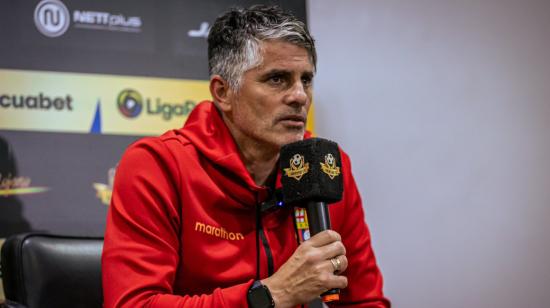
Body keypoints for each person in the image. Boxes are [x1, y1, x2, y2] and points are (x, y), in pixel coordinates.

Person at [102, 5, 390, 308]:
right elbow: (135, 304)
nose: (300, 96)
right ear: (223, 92)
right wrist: (271, 295)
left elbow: (366, 301)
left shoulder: (328, 165)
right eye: (277, 79)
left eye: (306, 80)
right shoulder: (157, 166)